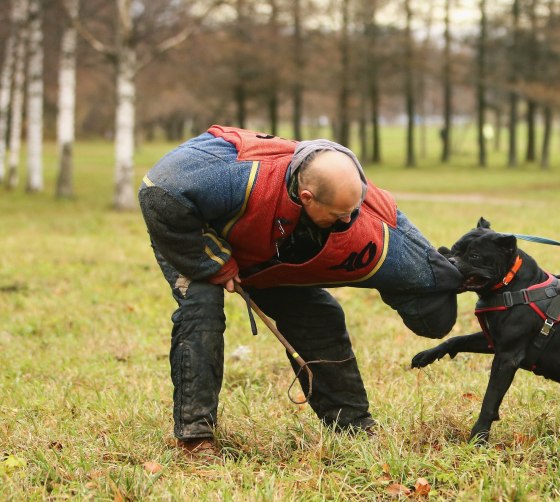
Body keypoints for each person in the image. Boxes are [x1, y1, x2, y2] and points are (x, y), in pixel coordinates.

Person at [139, 125, 463, 459]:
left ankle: (351, 424)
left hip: (266, 249)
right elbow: (158, 192)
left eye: (354, 209)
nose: (350, 220)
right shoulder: (236, 174)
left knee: (319, 314)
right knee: (202, 307)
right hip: (191, 232)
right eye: (339, 215)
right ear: (307, 197)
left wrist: (456, 276)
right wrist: (214, 262)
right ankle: (196, 439)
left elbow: (423, 263)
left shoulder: (361, 204)